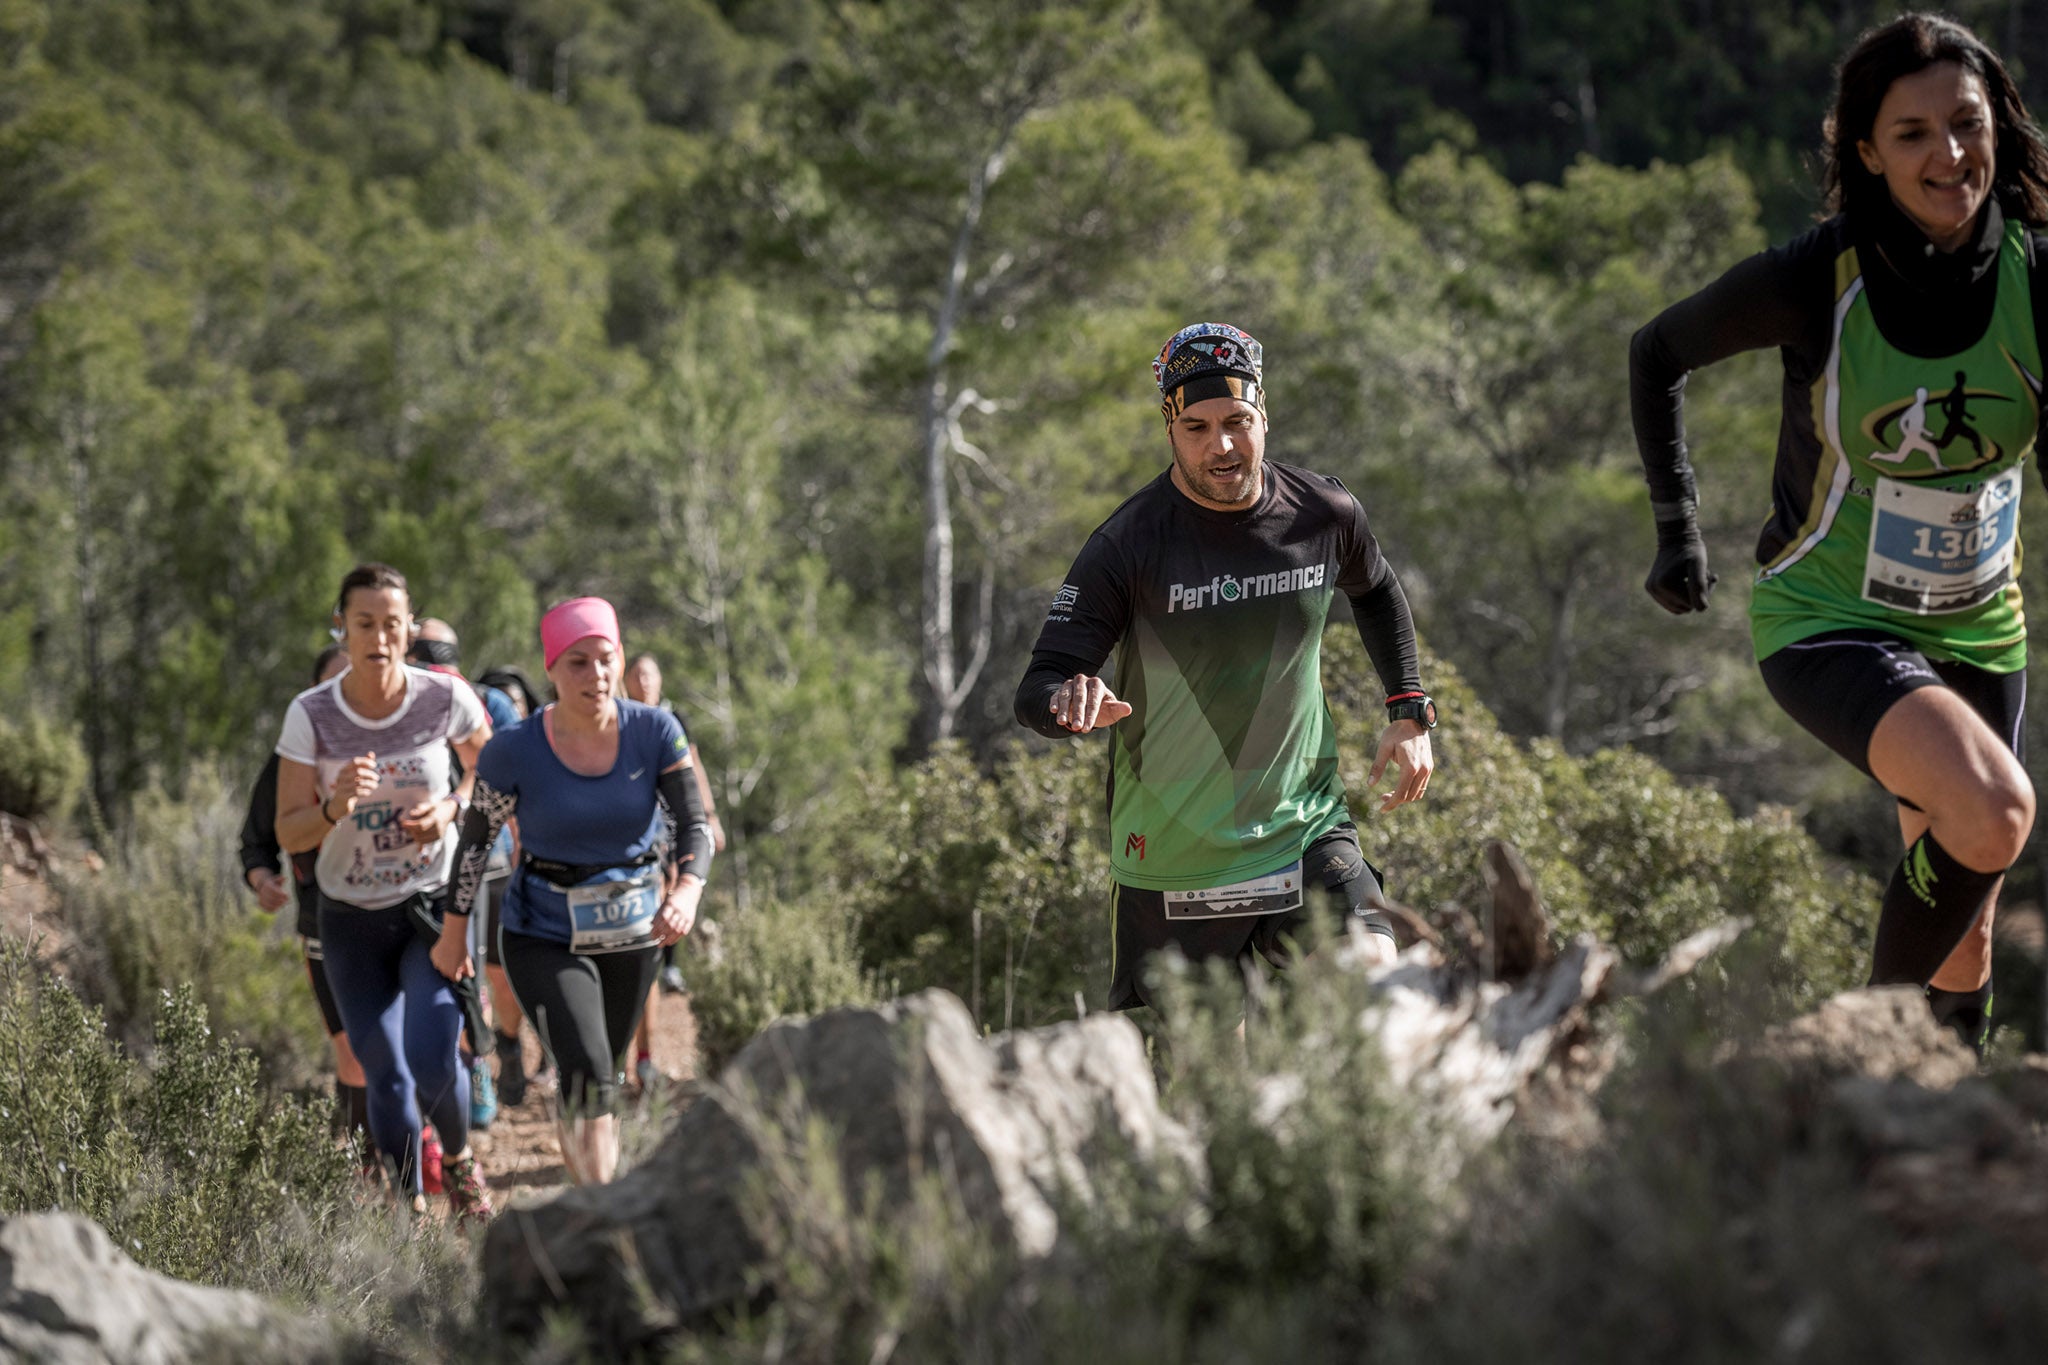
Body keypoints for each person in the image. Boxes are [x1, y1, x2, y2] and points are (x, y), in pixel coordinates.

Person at [1629, 12, 2048, 1052]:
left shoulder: (2036, 281)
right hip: (1826, 618)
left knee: (1967, 937)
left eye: (1964, 123)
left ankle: (1925, 1142)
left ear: (1997, 123)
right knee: (1993, 813)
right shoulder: (1817, 278)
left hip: (1980, 631)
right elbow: (1656, 352)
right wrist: (1676, 529)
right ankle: (1838, 1056)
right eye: (1910, 133)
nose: (1947, 155)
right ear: (1864, 151)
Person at [1013, 322, 1435, 1014]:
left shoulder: (1322, 514)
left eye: (1238, 421)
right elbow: (1039, 684)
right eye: (1199, 428)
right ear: (1170, 428)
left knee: (1378, 997)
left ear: (1263, 413)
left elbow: (1378, 589)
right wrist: (1070, 698)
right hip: (1173, 858)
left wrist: (1409, 707)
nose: (1223, 446)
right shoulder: (1128, 543)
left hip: (1303, 830)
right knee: (1196, 1096)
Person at [445, 598, 713, 1184]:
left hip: (633, 931)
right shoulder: (512, 750)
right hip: (542, 933)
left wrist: (688, 889)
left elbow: (694, 822)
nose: (595, 674)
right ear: (551, 669)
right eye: (577, 662)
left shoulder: (655, 731)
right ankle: (604, 1204)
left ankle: (591, 1192)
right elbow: (473, 845)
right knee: (589, 1064)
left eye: (604, 658)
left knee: (599, 1076)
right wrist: (451, 933)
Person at [274, 563, 495, 1219]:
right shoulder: (311, 714)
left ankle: (458, 1161)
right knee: (385, 1074)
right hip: (349, 918)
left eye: (391, 623)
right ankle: (410, 1207)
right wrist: (335, 806)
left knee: (432, 1055)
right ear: (341, 627)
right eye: (364, 623)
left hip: (431, 907)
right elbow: (290, 829)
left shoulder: (441, 697)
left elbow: (493, 772)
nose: (378, 637)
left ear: (410, 627)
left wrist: (453, 806)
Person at [241, 645, 368, 1152]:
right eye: (332, 688)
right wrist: (262, 879)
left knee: (407, 1042)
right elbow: (256, 838)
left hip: (403, 915)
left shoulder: (404, 749)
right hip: (323, 920)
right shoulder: (291, 758)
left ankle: (419, 1147)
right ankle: (364, 1161)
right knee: (351, 1050)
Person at [406, 617, 521, 1129]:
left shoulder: (484, 703)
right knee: (455, 970)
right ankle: (469, 1069)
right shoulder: (404, 704)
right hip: (428, 870)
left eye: (441, 652)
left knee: (491, 970)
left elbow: (505, 773)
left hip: (490, 859)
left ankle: (501, 1051)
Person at [620, 651, 726, 1092]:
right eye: (637, 674)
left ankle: (667, 964)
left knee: (663, 905)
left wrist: (710, 815)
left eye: (650, 674)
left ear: (660, 680)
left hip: (668, 827)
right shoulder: (616, 720)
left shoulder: (671, 720)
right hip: (625, 839)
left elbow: (693, 768)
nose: (644, 681)